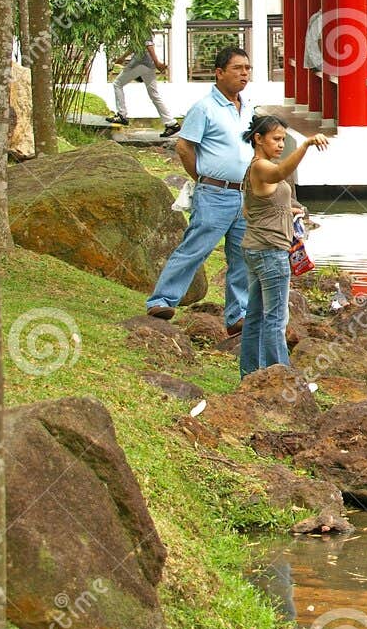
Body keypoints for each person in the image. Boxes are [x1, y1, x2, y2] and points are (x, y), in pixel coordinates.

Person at [144, 47, 252, 333]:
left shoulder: (249, 107)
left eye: (247, 69)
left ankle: (238, 315)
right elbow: (184, 147)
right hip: (214, 194)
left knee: (242, 256)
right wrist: (205, 178)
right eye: (238, 68)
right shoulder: (204, 108)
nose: (244, 74)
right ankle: (162, 300)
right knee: (195, 248)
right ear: (219, 73)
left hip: (244, 194)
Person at [238, 115, 328, 376]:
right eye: (276, 139)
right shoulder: (260, 167)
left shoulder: (255, 170)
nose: (280, 145)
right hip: (269, 252)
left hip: (256, 248)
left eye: (284, 141)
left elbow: (250, 210)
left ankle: (251, 373)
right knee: (275, 319)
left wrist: (289, 211)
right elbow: (280, 173)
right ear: (258, 138)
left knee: (255, 316)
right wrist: (305, 145)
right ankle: (281, 378)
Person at [108, 33, 179, 137]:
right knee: (154, 95)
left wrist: (157, 62)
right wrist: (122, 58)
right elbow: (135, 46)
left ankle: (121, 115)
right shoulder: (138, 26)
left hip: (140, 63)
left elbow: (149, 45)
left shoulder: (143, 27)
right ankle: (172, 124)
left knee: (117, 84)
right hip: (148, 65)